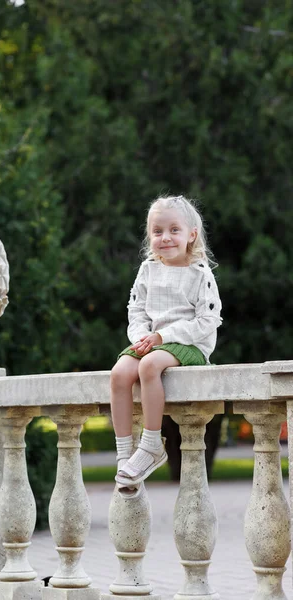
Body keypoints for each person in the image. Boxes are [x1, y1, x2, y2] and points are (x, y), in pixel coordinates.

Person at [111, 194, 222, 496]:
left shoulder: (199, 274)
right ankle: (125, 456)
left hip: (189, 343)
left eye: (174, 230)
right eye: (157, 231)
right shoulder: (148, 268)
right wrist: (140, 338)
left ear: (191, 235)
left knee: (149, 366)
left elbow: (208, 320)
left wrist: (163, 337)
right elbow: (136, 311)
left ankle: (151, 445)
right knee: (120, 373)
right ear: (150, 237)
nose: (166, 238)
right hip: (153, 342)